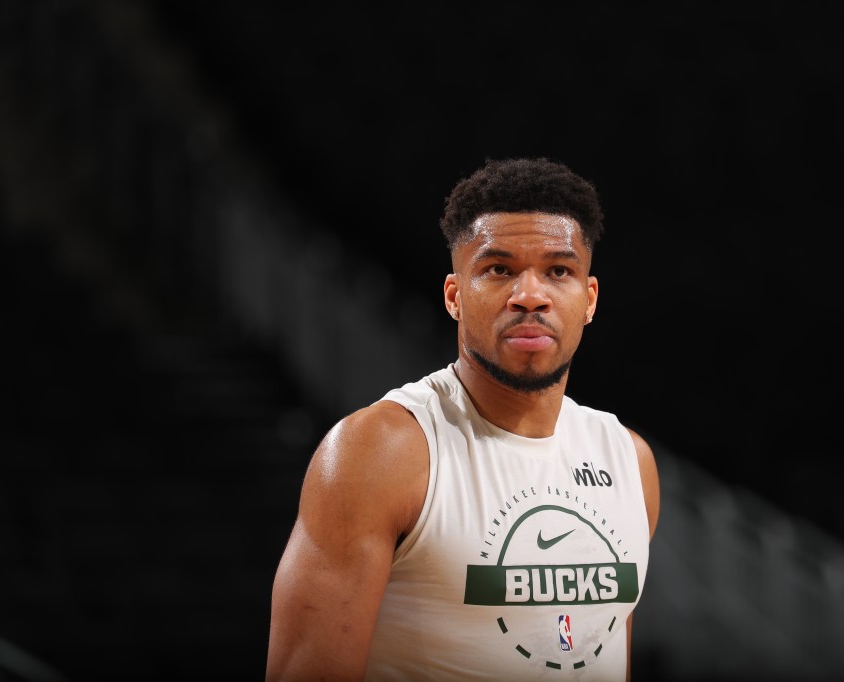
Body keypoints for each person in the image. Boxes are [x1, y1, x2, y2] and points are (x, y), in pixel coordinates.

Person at [265, 157, 661, 681]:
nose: (530, 296)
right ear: (454, 295)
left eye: (558, 271)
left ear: (588, 300)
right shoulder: (380, 450)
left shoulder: (629, 460)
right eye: (499, 270)